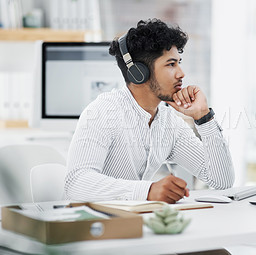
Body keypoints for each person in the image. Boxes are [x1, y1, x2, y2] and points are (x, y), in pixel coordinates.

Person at [64, 18, 235, 203]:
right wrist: (148, 191)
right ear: (139, 73)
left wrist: (203, 117)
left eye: (179, 62)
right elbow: (76, 184)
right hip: (91, 225)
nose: (181, 73)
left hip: (134, 224)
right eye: (171, 64)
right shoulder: (103, 112)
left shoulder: (168, 122)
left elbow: (222, 180)